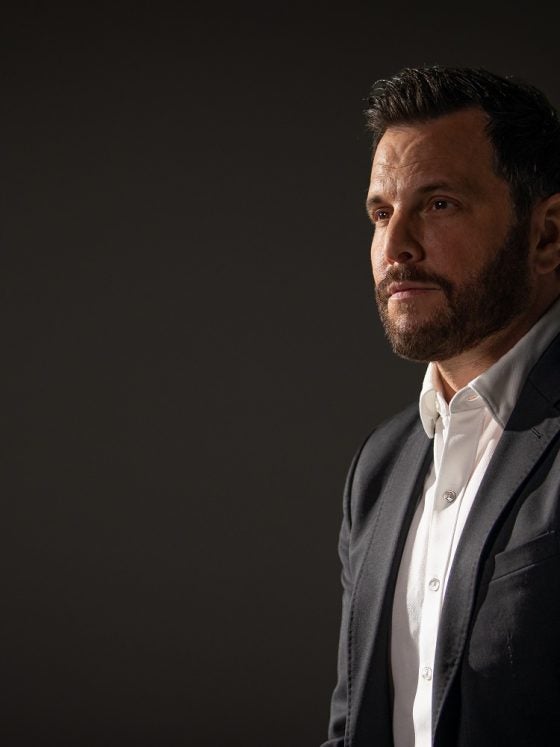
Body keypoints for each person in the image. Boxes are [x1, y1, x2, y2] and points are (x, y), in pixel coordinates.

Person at [322, 66, 560, 747]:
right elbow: (353, 724)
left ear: (547, 235)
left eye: (439, 204)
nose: (395, 246)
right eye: (381, 213)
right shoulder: (380, 466)